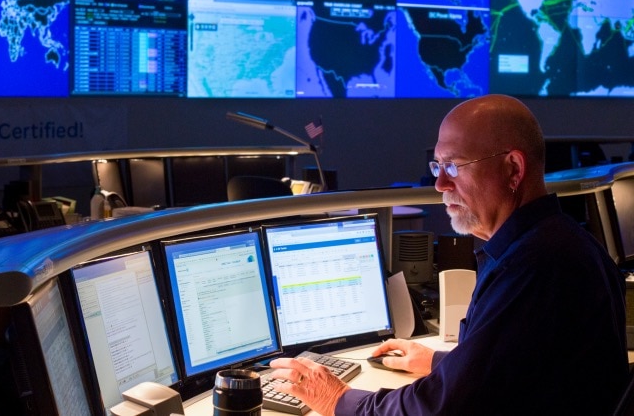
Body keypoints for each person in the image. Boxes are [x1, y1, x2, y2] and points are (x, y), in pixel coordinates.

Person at [269, 94, 629, 415]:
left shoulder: (536, 265)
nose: (440, 184)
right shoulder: (556, 241)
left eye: (454, 166)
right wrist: (441, 362)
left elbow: (441, 408)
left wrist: (338, 399)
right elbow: (511, 364)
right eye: (437, 167)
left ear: (513, 169)